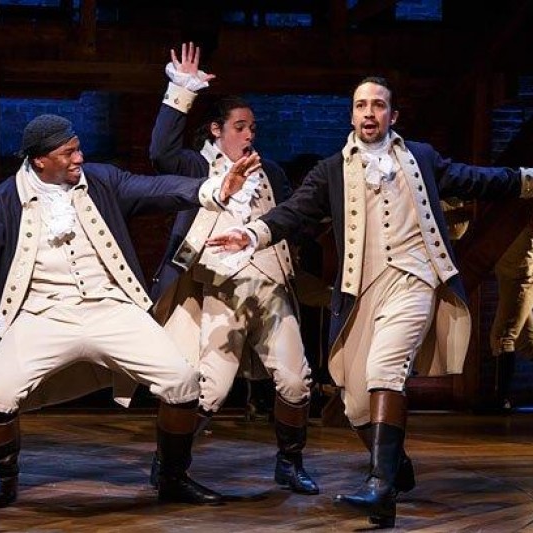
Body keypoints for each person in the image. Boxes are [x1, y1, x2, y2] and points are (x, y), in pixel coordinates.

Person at [206, 75, 533, 527]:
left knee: (385, 369)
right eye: (361, 105)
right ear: (352, 115)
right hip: (362, 289)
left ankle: (380, 487)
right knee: (356, 401)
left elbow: (475, 179)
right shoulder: (331, 170)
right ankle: (394, 464)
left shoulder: (421, 157)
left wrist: (526, 180)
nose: (369, 113)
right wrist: (251, 233)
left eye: (378, 105)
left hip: (414, 279)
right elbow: (293, 212)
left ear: (392, 115)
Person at [0, 113, 260, 508]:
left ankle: (173, 477)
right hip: (42, 313)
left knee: (182, 381)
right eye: (68, 153)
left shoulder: (102, 180)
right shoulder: (3, 198)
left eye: (78, 149)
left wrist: (212, 189)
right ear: (40, 160)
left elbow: (156, 188)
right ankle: (3, 479)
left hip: (113, 308)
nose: (79, 158)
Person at [146, 42, 317, 495]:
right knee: (210, 390)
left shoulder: (270, 171)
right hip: (218, 290)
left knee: (296, 380)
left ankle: (290, 463)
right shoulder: (195, 166)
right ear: (216, 130)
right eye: (240, 127)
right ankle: (169, 464)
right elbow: (160, 152)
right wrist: (182, 89)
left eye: (252, 128)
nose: (249, 134)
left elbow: (290, 221)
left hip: (271, 287)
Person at [490, 222, 533, 410]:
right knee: (527, 342)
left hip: (519, 277)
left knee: (503, 337)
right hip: (512, 274)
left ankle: (501, 400)